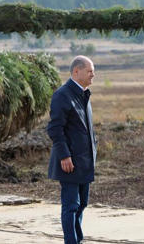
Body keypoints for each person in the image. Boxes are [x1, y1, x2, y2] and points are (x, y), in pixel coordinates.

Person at [47, 55, 97, 244]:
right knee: (71, 205)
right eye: (90, 71)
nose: (93, 75)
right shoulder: (63, 95)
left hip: (84, 161)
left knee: (82, 203)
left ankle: (78, 239)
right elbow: (55, 128)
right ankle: (71, 241)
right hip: (69, 162)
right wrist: (64, 155)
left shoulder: (84, 94)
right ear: (77, 71)